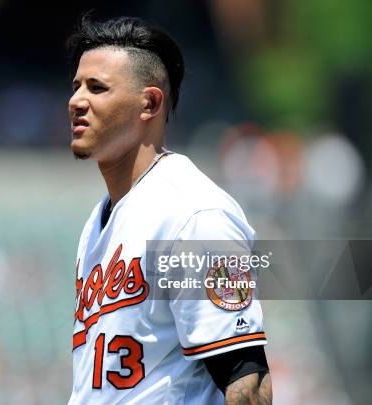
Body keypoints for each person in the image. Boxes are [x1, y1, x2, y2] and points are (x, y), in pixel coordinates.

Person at [67, 15, 272, 405]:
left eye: (97, 87)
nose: (77, 100)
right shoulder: (100, 219)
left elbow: (247, 377)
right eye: (75, 86)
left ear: (150, 102)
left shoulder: (193, 214)